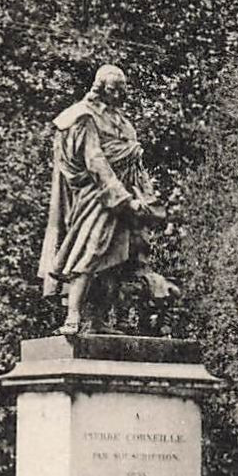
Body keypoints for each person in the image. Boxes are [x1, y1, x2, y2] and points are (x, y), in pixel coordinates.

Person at [38, 64, 177, 334]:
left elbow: (136, 164)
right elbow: (95, 162)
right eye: (114, 90)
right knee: (90, 253)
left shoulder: (123, 123)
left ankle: (98, 320)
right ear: (101, 88)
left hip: (125, 200)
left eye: (122, 90)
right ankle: (73, 316)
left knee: (116, 261)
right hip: (98, 198)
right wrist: (124, 199)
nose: (119, 95)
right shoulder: (83, 116)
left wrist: (147, 198)